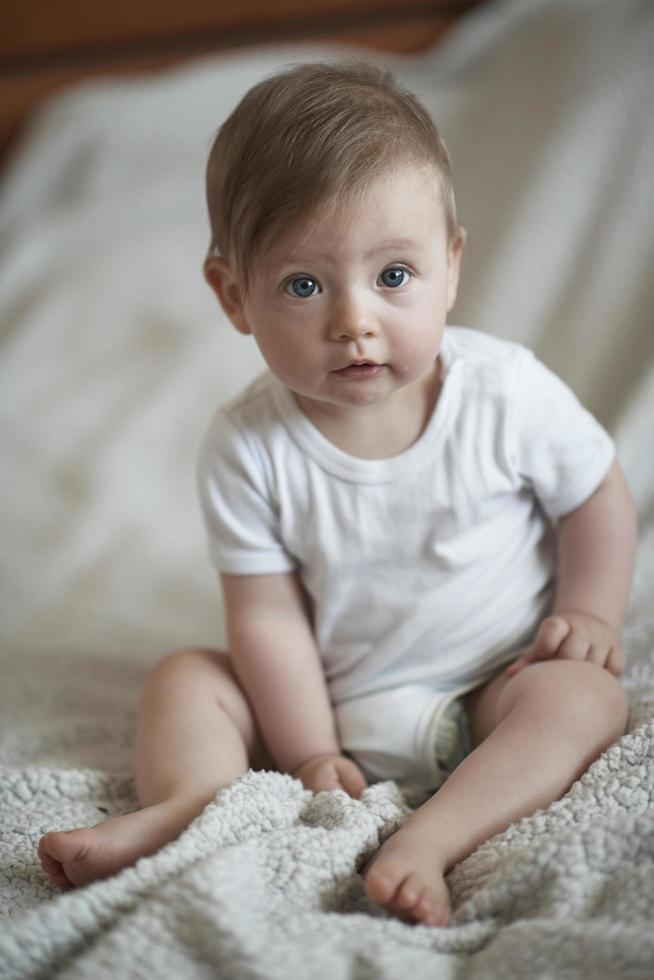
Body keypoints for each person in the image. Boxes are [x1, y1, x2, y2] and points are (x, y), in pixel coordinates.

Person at [38, 61, 637, 929]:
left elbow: (595, 496)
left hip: (489, 683)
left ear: (451, 265)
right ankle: (189, 803)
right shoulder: (246, 445)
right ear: (234, 295)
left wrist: (590, 614)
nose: (354, 320)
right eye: (305, 285)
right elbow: (268, 617)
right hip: (326, 699)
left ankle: (432, 838)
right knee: (184, 679)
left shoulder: (505, 393)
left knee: (586, 700)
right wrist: (311, 748)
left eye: (394, 276)